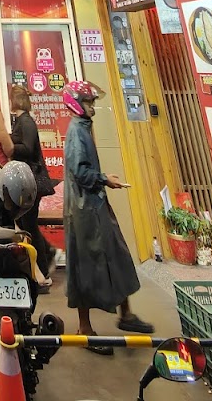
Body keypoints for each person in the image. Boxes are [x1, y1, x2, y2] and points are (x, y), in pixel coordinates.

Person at [61, 80, 154, 353]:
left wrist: (102, 182)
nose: (93, 106)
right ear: (77, 104)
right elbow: (80, 172)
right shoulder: (77, 131)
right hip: (83, 211)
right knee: (84, 267)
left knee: (117, 255)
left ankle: (126, 314)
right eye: (88, 102)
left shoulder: (83, 128)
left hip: (93, 205)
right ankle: (84, 328)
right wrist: (104, 179)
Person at [9, 84, 56, 287]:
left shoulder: (26, 122)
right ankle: (48, 252)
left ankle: (43, 271)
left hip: (33, 180)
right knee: (27, 224)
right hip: (28, 179)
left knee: (29, 226)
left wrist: (9, 145)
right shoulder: (22, 121)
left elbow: (27, 148)